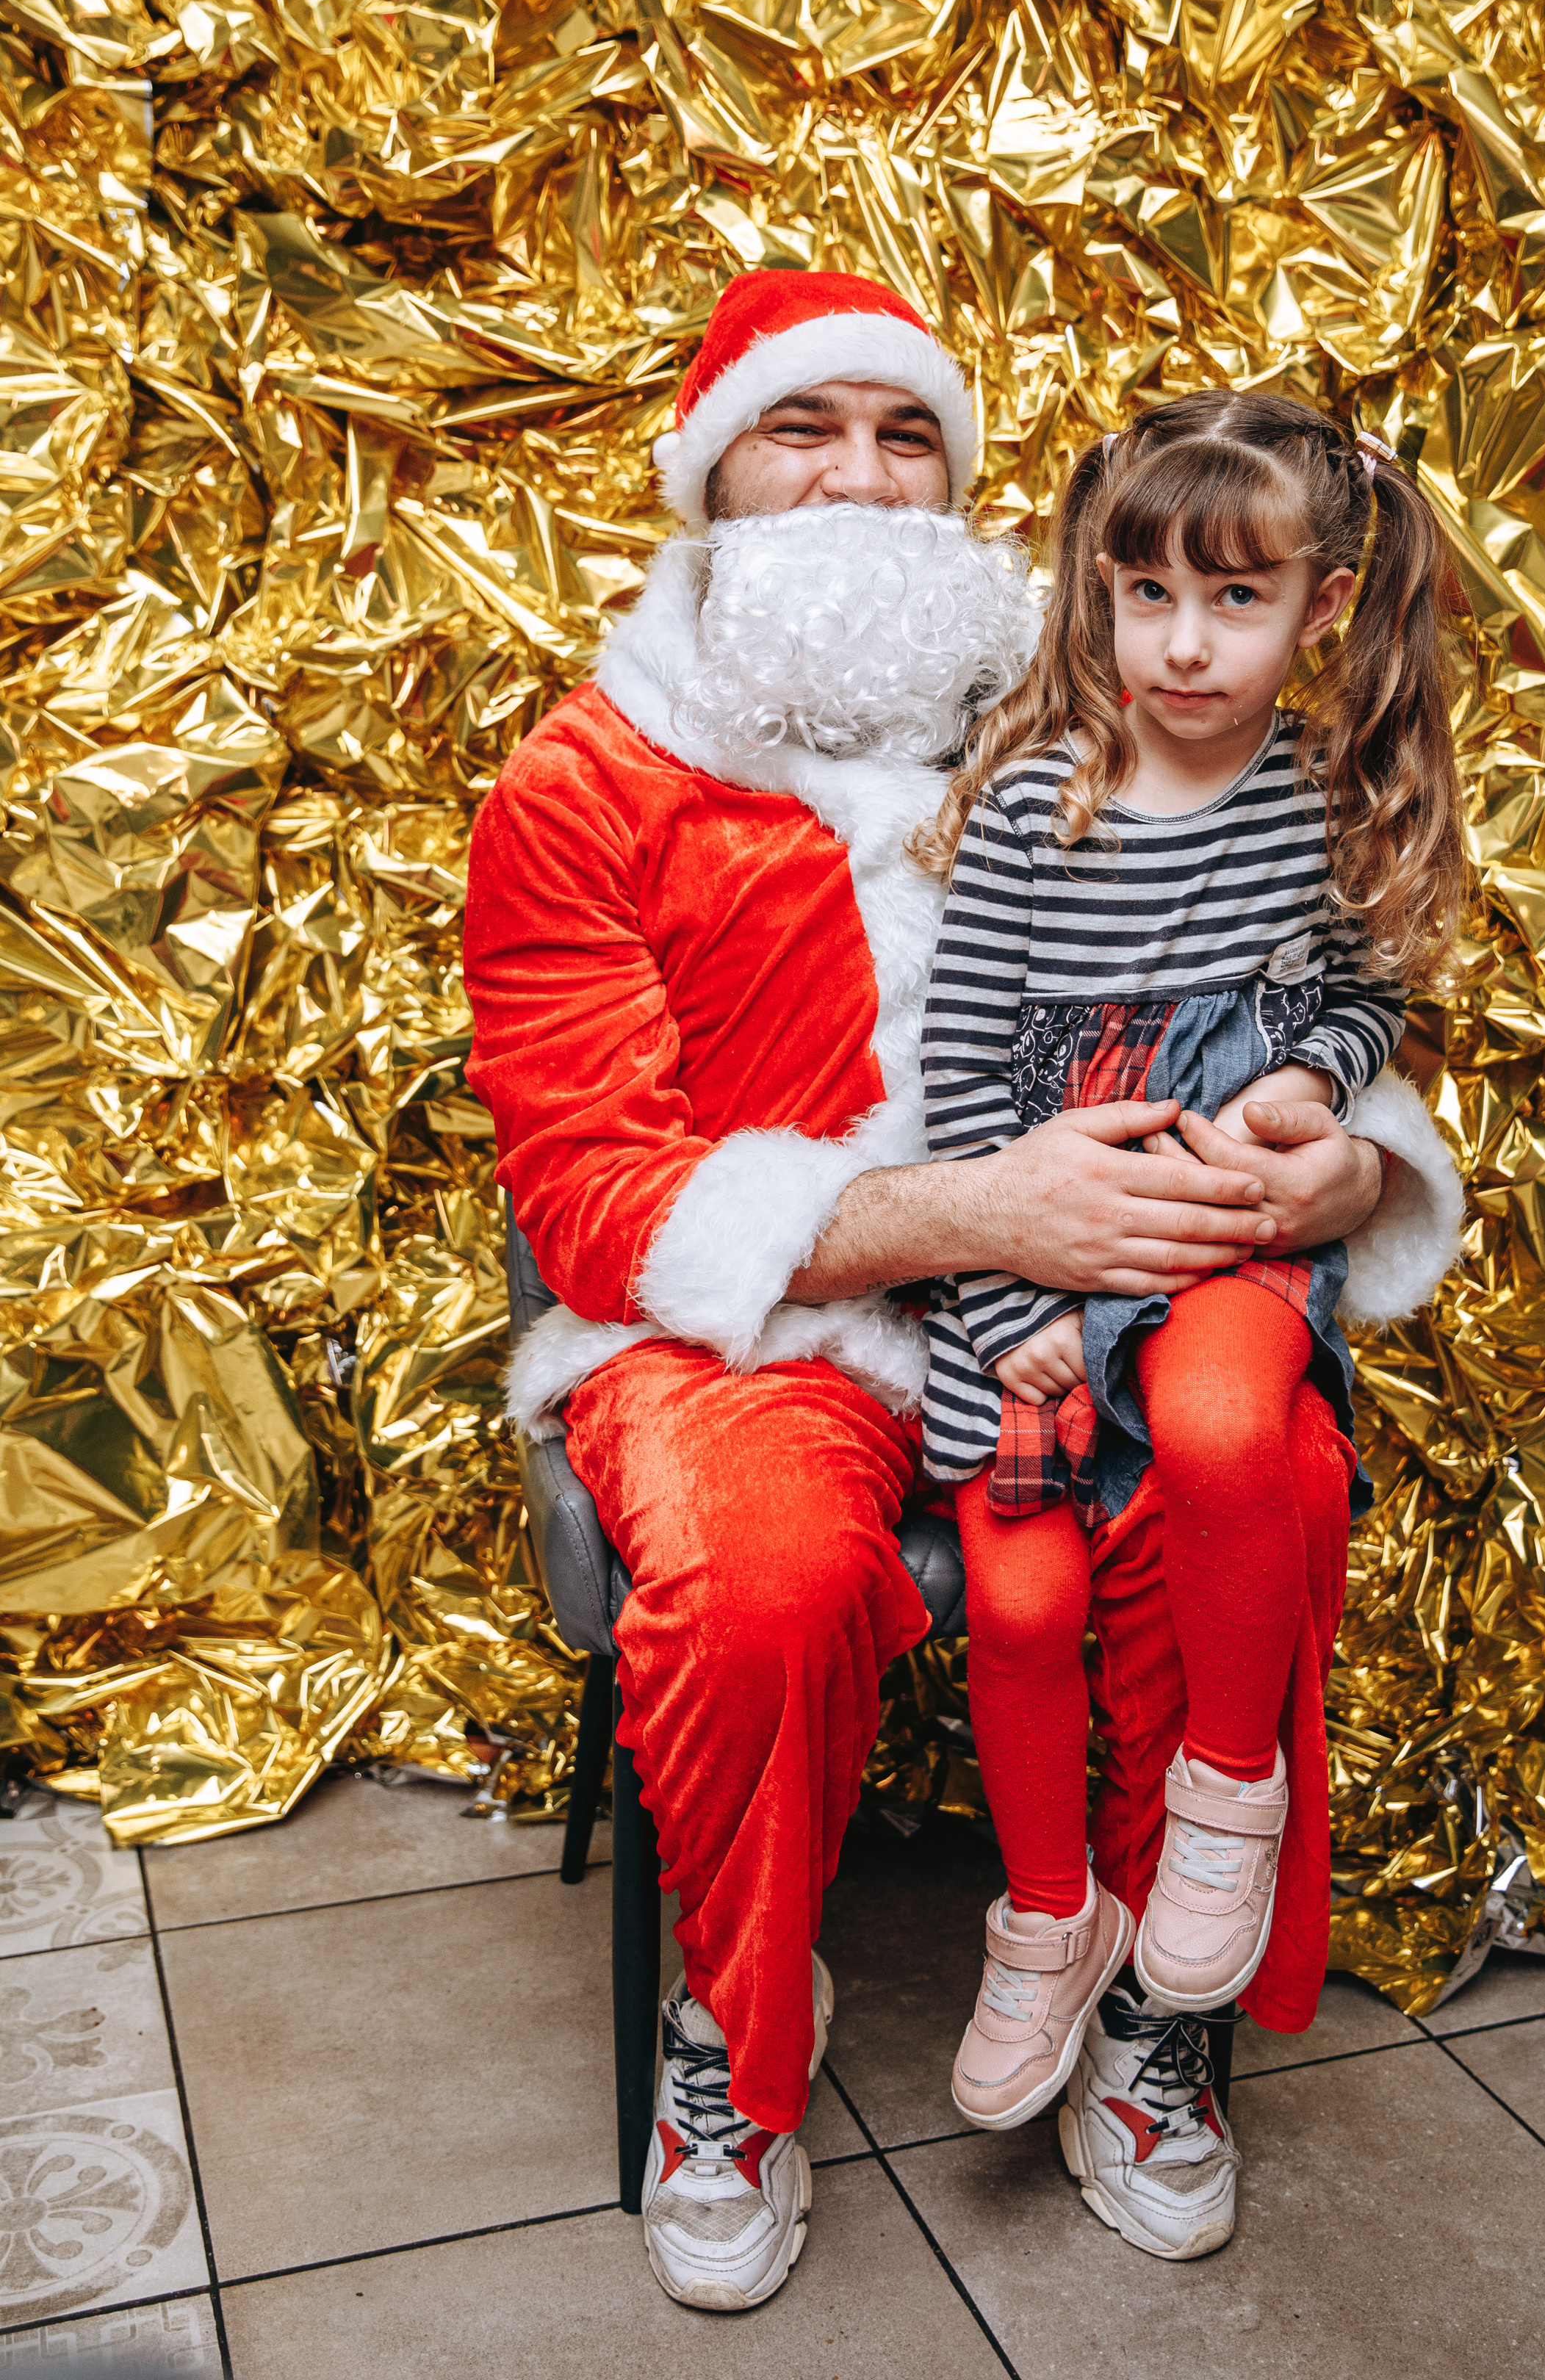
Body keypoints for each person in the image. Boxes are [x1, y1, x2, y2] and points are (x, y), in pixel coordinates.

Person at [461, 271, 1463, 2313]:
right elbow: (590, 1187)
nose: (857, 473)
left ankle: (1147, 2013)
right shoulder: (583, 783)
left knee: (1250, 1476)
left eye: (904, 433)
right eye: (800, 428)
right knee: (752, 1577)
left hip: (1132, 1278)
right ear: (710, 474)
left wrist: (1353, 1165)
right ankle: (732, 2043)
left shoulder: (1117, 696)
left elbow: (1298, 968)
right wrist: (967, 1221)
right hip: (775, 1321)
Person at [911, 394, 1464, 2254]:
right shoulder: (1028, 807)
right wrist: (1011, 1324)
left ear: (1316, 608)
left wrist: (1314, 1076)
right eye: (1141, 592)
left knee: (1238, 1441)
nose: (1182, 643)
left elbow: (1366, 991)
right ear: (1096, 592)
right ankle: (1050, 1921)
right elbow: (960, 1093)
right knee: (1020, 1599)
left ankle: (1228, 1807)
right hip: (1038, 1302)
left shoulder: (1306, 801)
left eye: (1232, 600)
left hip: (1222, 1249)